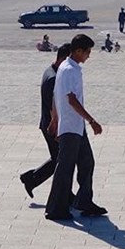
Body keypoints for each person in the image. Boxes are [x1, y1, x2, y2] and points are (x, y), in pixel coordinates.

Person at [45, 33, 107, 221]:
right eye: (87, 52)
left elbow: (57, 96)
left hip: (73, 126)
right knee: (65, 168)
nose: (89, 55)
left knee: (87, 162)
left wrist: (55, 120)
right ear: (78, 51)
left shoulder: (65, 67)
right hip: (72, 127)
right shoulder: (70, 70)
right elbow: (71, 99)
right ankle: (56, 208)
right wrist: (91, 120)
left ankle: (84, 202)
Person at [20, 45, 75, 200]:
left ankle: (31, 179)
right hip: (52, 126)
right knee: (62, 160)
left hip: (49, 124)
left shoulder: (51, 72)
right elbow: (53, 106)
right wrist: (56, 127)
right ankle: (33, 179)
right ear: (63, 59)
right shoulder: (53, 78)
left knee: (59, 159)